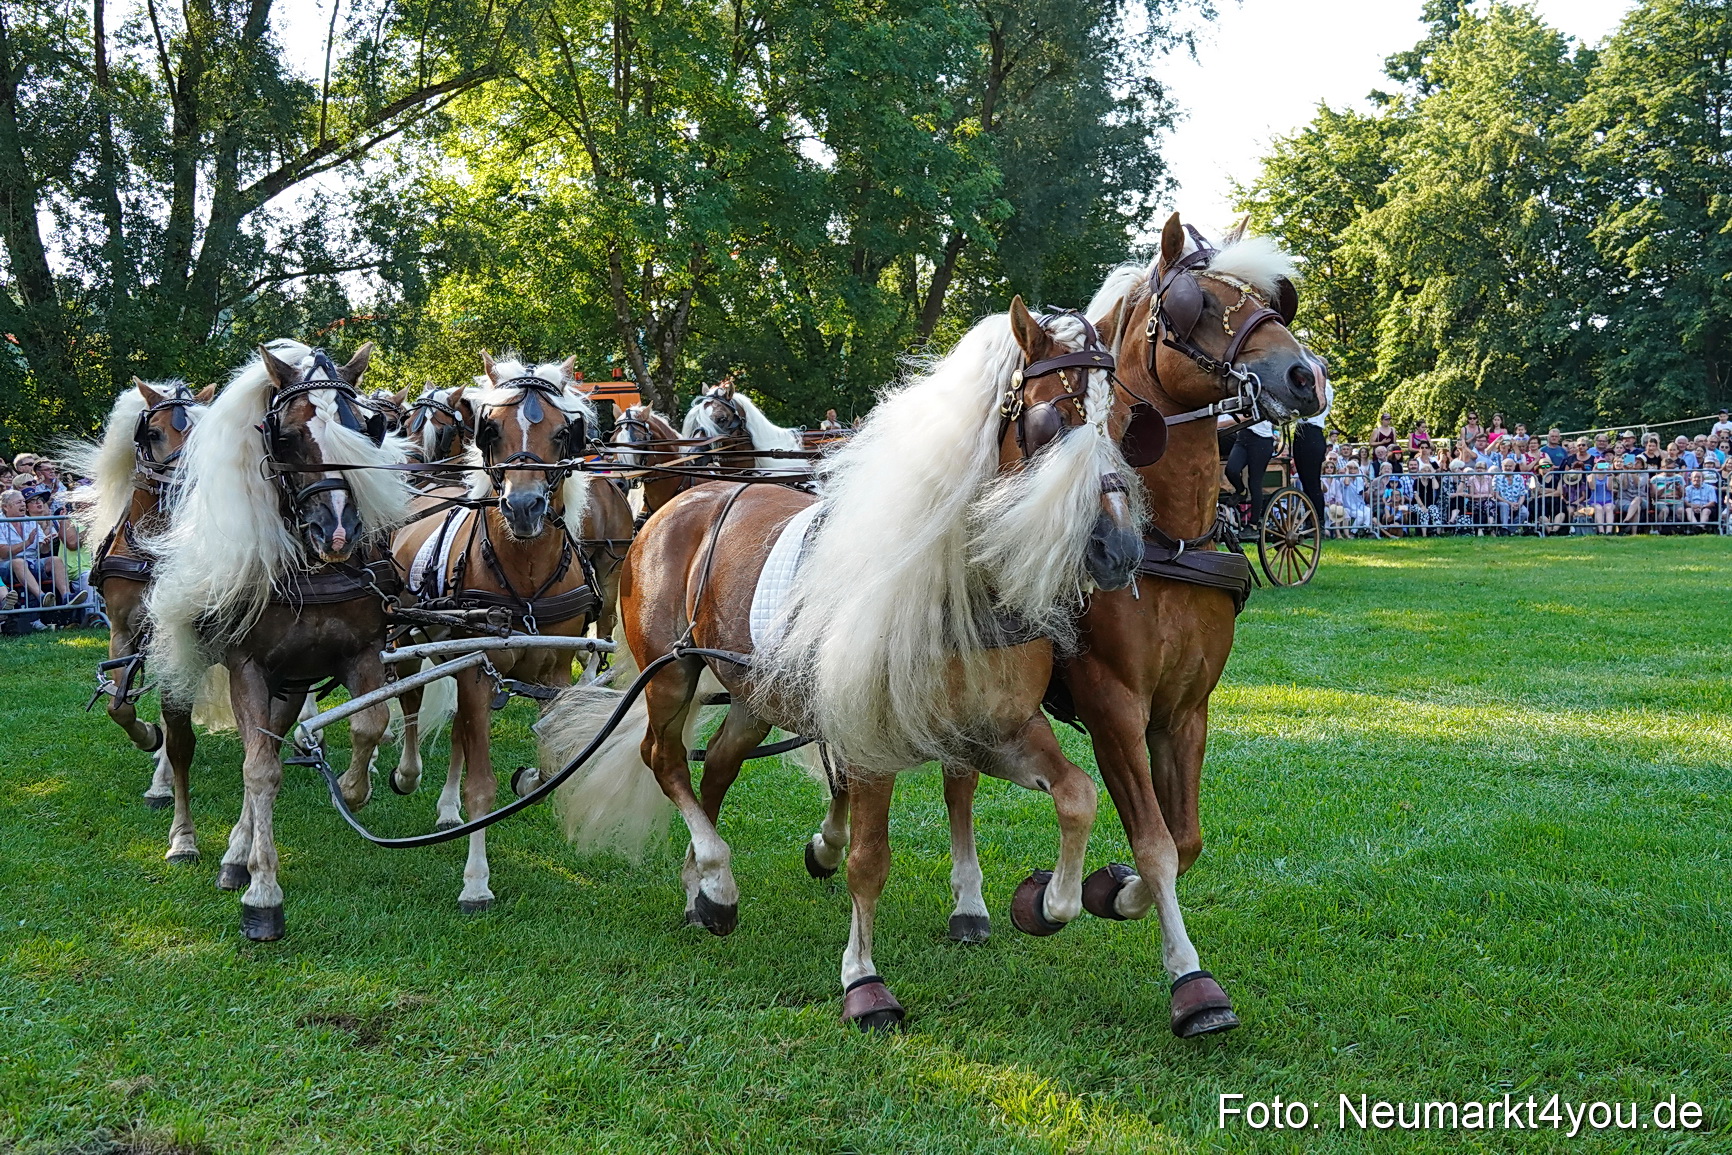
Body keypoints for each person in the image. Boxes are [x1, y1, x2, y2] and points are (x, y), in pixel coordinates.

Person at [1224, 415, 1276, 527]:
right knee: (1231, 469)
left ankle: (1253, 523)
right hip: (1244, 435)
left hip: (1262, 440)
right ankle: (1241, 491)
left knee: (1254, 483)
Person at [1617, 455, 1652, 533]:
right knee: (1636, 508)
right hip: (1625, 500)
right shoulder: (1623, 473)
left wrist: (1632, 471)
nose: (1635, 463)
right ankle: (1633, 533)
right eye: (1634, 461)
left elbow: (1638, 484)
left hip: (1642, 500)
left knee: (1637, 499)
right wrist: (1625, 472)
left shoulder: (1644, 474)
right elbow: (1624, 487)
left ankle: (1626, 520)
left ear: (1642, 466)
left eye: (1638, 462)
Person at [1493, 458, 1529, 533]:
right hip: (1502, 502)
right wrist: (1510, 503)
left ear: (1514, 467)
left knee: (1525, 512)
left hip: (1516, 503)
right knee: (1504, 505)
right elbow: (1496, 495)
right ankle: (1504, 528)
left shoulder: (1519, 477)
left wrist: (1518, 504)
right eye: (1506, 466)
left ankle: (1510, 530)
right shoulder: (1497, 477)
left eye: (1510, 466)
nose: (1508, 468)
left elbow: (1522, 494)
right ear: (1502, 466)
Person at [1651, 455, 1684, 529]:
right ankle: (1657, 529)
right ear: (1662, 468)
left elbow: (1683, 495)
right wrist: (1664, 488)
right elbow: (1654, 496)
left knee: (1681, 510)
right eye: (1668, 468)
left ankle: (1679, 529)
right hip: (1660, 501)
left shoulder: (1679, 478)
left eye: (1673, 468)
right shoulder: (1655, 478)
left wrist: (1679, 489)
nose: (1671, 470)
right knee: (1665, 510)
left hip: (1676, 501)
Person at [1589, 460, 1616, 534]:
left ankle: (1609, 532)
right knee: (1599, 508)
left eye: (1603, 464)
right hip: (1595, 500)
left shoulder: (1609, 475)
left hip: (1608, 500)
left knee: (1609, 508)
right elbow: (1592, 487)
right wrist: (1593, 473)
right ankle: (1601, 531)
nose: (1601, 466)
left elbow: (1610, 488)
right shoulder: (1590, 476)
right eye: (1599, 464)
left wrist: (1609, 474)